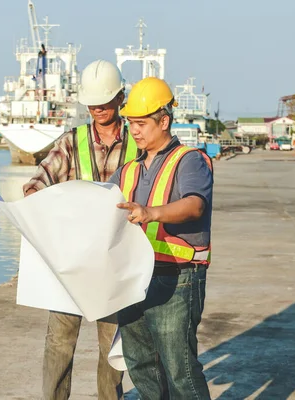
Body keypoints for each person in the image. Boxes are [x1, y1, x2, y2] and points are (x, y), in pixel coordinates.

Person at [23, 59, 137, 400]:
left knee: (112, 347)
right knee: (59, 343)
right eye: (92, 103)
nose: (98, 109)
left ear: (120, 99)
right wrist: (42, 207)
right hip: (73, 262)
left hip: (116, 261)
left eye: (105, 101)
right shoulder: (72, 142)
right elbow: (36, 183)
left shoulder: (138, 144)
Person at [109, 77, 213, 399]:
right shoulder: (127, 170)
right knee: (141, 366)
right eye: (130, 124)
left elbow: (195, 205)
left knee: (179, 370)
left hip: (177, 279)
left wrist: (151, 213)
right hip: (135, 279)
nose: (134, 131)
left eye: (141, 123)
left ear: (164, 120)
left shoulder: (190, 160)